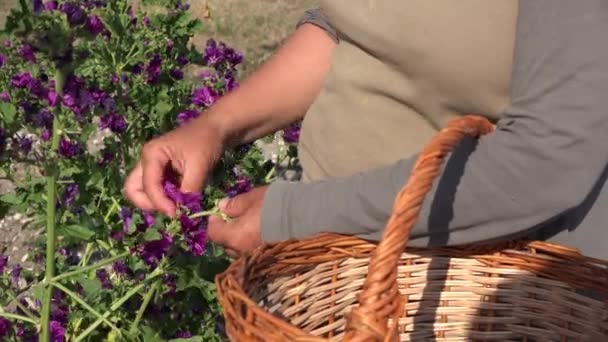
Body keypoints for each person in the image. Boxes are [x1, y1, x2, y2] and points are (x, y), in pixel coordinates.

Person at [123, 0, 608, 260]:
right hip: (327, 271)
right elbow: (351, 27)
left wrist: (294, 217)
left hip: (470, 288)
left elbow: (545, 160)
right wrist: (215, 125)